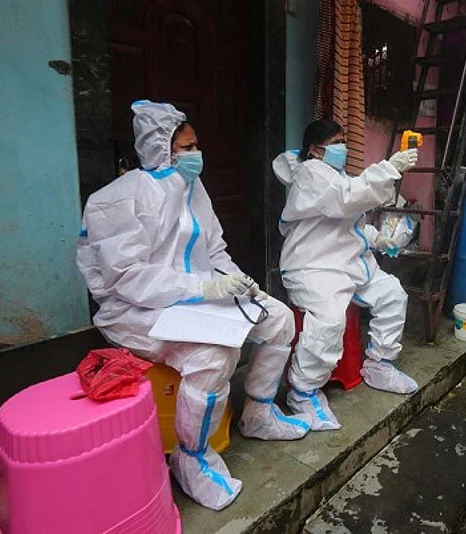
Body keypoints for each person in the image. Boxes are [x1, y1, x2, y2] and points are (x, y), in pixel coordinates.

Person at [76, 100, 311, 511]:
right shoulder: (115, 199)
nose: (195, 155)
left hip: (197, 299)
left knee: (277, 318)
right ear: (159, 149)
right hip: (135, 310)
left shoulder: (192, 189)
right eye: (186, 148)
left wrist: (238, 283)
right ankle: (191, 457)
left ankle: (258, 412)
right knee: (213, 356)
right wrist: (205, 288)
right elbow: (126, 277)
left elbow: (214, 249)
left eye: (195, 146)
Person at [272, 119, 419, 431]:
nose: (343, 147)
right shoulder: (311, 173)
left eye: (343, 140)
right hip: (313, 265)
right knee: (328, 321)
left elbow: (348, 221)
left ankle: (379, 364)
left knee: (393, 294)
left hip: (348, 262)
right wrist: (390, 168)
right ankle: (303, 390)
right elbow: (348, 197)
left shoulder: (334, 174)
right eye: (336, 142)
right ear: (315, 149)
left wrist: (377, 238)